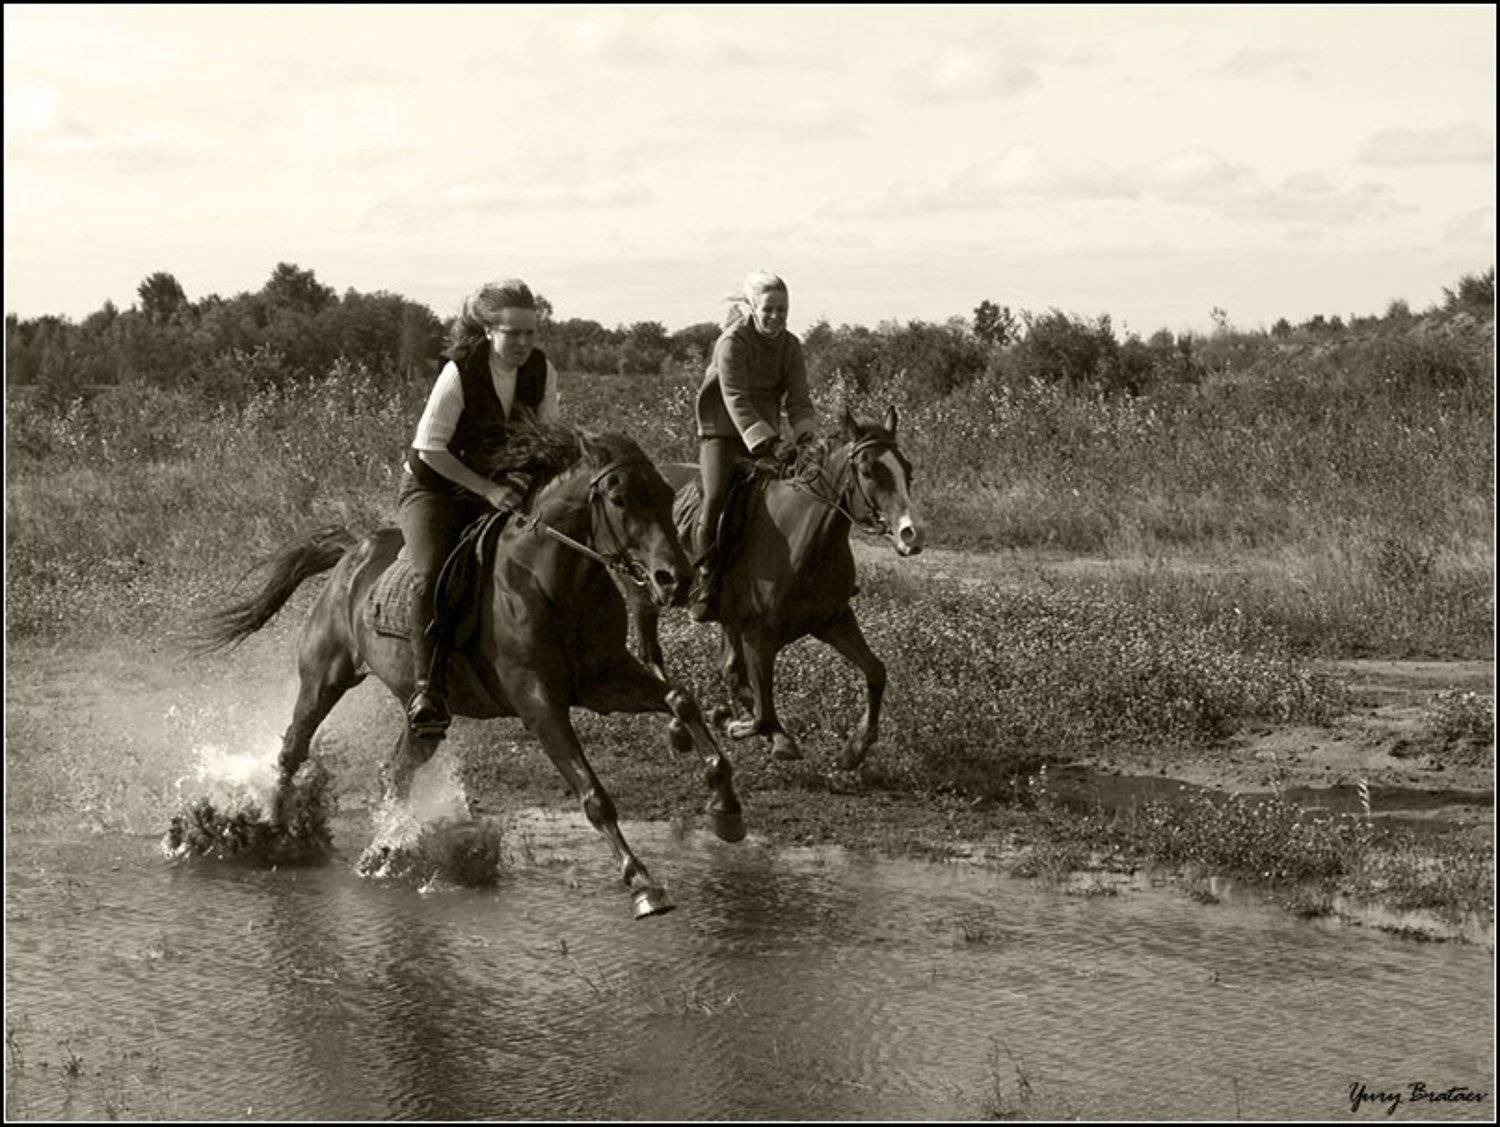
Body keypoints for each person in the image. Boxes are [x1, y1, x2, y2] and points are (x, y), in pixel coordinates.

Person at [400, 277, 560, 735]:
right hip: (433, 489)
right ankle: (427, 688)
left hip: (494, 486)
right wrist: (488, 490)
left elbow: (546, 442)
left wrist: (530, 482)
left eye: (531, 333)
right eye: (513, 333)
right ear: (489, 330)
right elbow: (430, 449)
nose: (523, 343)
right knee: (430, 571)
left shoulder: (542, 371)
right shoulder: (459, 370)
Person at [689, 270, 816, 622]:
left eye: (782, 309)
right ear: (752, 308)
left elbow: (800, 399)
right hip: (723, 432)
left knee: (803, 496)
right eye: (769, 309)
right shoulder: (732, 342)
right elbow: (735, 398)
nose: (776, 316)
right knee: (715, 498)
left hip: (768, 435)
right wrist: (768, 442)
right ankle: (705, 580)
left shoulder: (791, 345)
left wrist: (806, 436)